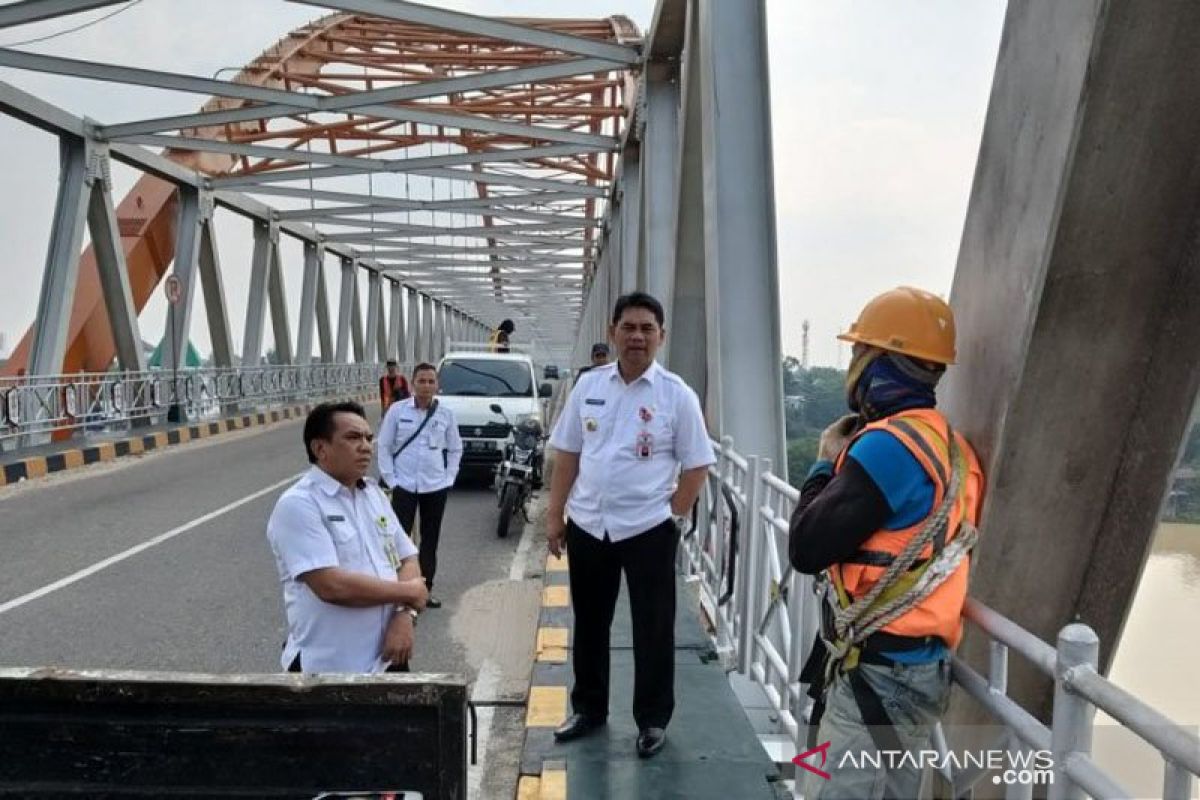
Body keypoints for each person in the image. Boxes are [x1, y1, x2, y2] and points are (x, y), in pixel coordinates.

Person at [787, 286, 985, 799]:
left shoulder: (890, 448)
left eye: (858, 352)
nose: (852, 364)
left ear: (879, 363)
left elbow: (807, 547)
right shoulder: (952, 447)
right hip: (912, 669)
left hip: (876, 677)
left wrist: (826, 461)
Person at [546, 291, 715, 759]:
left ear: (661, 336)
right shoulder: (589, 387)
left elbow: (697, 463)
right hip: (588, 523)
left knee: (653, 627)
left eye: (647, 328)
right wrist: (554, 515)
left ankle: (652, 720)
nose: (637, 336)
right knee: (591, 621)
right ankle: (589, 709)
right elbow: (569, 454)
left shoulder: (676, 395)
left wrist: (672, 514)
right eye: (629, 327)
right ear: (612, 333)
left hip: (647, 527)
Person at [265, 401, 428, 674]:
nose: (366, 446)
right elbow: (331, 586)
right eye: (353, 438)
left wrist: (404, 614)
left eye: (368, 437)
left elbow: (405, 556)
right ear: (320, 449)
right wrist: (410, 592)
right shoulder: (299, 504)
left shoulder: (373, 494)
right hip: (330, 670)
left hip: (388, 658)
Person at [377, 362, 462, 610]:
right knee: (398, 538)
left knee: (430, 539)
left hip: (435, 486)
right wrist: (391, 479)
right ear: (412, 384)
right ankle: (396, 591)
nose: (426, 386)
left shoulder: (446, 415)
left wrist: (449, 478)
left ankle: (425, 591)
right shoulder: (397, 411)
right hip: (403, 484)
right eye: (421, 381)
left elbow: (455, 448)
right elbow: (384, 446)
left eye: (431, 381)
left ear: (437, 385)